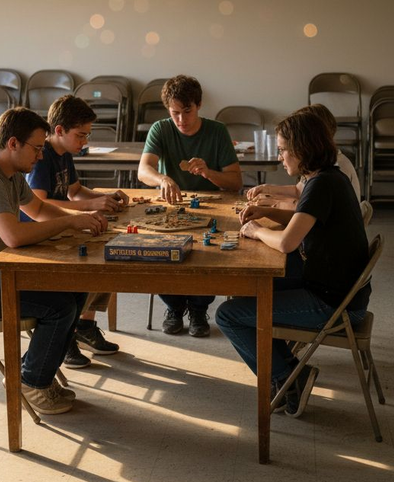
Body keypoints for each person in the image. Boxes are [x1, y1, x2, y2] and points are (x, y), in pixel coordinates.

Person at [0, 107, 109, 415]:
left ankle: (30, 369)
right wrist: (70, 222)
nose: (41, 156)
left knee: (77, 287)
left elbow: (39, 210)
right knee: (59, 308)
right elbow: (14, 236)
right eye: (37, 148)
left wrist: (79, 220)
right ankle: (31, 381)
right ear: (13, 143)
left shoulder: (10, 175)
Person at [215, 109, 371, 417]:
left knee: (228, 315)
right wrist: (266, 212)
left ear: (302, 149)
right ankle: (288, 372)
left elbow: (287, 242)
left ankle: (287, 377)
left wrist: (256, 230)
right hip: (337, 289)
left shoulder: (322, 184)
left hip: (334, 304)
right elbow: (303, 219)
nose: (280, 157)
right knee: (246, 290)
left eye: (283, 149)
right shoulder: (327, 177)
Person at [25, 94, 128, 368]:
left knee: (107, 251)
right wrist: (91, 206)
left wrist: (104, 197)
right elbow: (40, 204)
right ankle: (66, 334)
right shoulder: (42, 156)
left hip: (61, 228)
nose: (85, 141)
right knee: (90, 262)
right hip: (41, 235)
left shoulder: (65, 154)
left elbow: (75, 191)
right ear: (59, 130)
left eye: (87, 135)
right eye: (81, 135)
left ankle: (84, 326)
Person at [137, 75, 243, 337]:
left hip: (212, 208)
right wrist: (162, 179)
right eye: (175, 113)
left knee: (209, 252)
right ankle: (174, 307)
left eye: (187, 111)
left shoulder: (217, 131)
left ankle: (198, 308)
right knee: (160, 250)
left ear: (199, 105)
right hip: (173, 206)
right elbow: (143, 170)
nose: (181, 120)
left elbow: (235, 183)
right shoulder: (161, 129)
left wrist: (208, 173)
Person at [246, 104, 362, 209]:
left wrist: (275, 202)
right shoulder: (316, 165)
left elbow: (308, 207)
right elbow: (299, 191)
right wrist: (267, 189)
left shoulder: (336, 167)